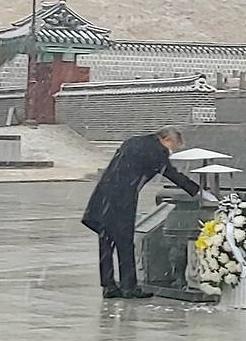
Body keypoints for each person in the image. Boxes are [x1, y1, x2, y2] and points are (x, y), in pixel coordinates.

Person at [82, 126, 216, 299]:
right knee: (125, 243)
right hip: (122, 200)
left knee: (106, 241)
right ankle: (129, 287)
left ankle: (108, 285)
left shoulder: (133, 141)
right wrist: (198, 191)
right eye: (173, 147)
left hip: (103, 195)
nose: (171, 151)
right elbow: (172, 174)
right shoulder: (157, 151)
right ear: (167, 139)